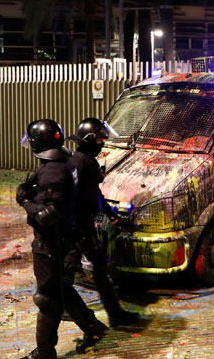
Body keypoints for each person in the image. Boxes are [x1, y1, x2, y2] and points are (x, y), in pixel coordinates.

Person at [16, 119, 108, 359]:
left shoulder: (54, 170)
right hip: (62, 238)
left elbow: (47, 215)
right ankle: (94, 328)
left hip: (51, 242)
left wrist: (25, 201)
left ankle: (45, 353)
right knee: (62, 290)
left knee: (48, 298)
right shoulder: (61, 164)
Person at [65, 118, 139, 327]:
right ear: (89, 140)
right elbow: (81, 198)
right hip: (79, 225)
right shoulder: (83, 162)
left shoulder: (79, 159)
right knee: (91, 267)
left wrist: (109, 214)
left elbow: (94, 194)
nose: (102, 143)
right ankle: (113, 315)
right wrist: (84, 224)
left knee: (80, 267)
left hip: (80, 223)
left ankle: (68, 307)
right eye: (99, 139)